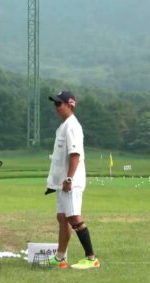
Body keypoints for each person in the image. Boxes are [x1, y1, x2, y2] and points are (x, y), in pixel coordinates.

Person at [46, 91, 100, 270]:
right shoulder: (63, 126)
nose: (56, 108)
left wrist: (69, 178)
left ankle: (91, 258)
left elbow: (75, 155)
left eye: (58, 104)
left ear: (70, 105)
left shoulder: (72, 127)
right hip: (62, 183)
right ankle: (60, 257)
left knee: (74, 217)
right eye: (55, 104)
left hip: (71, 182)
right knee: (62, 217)